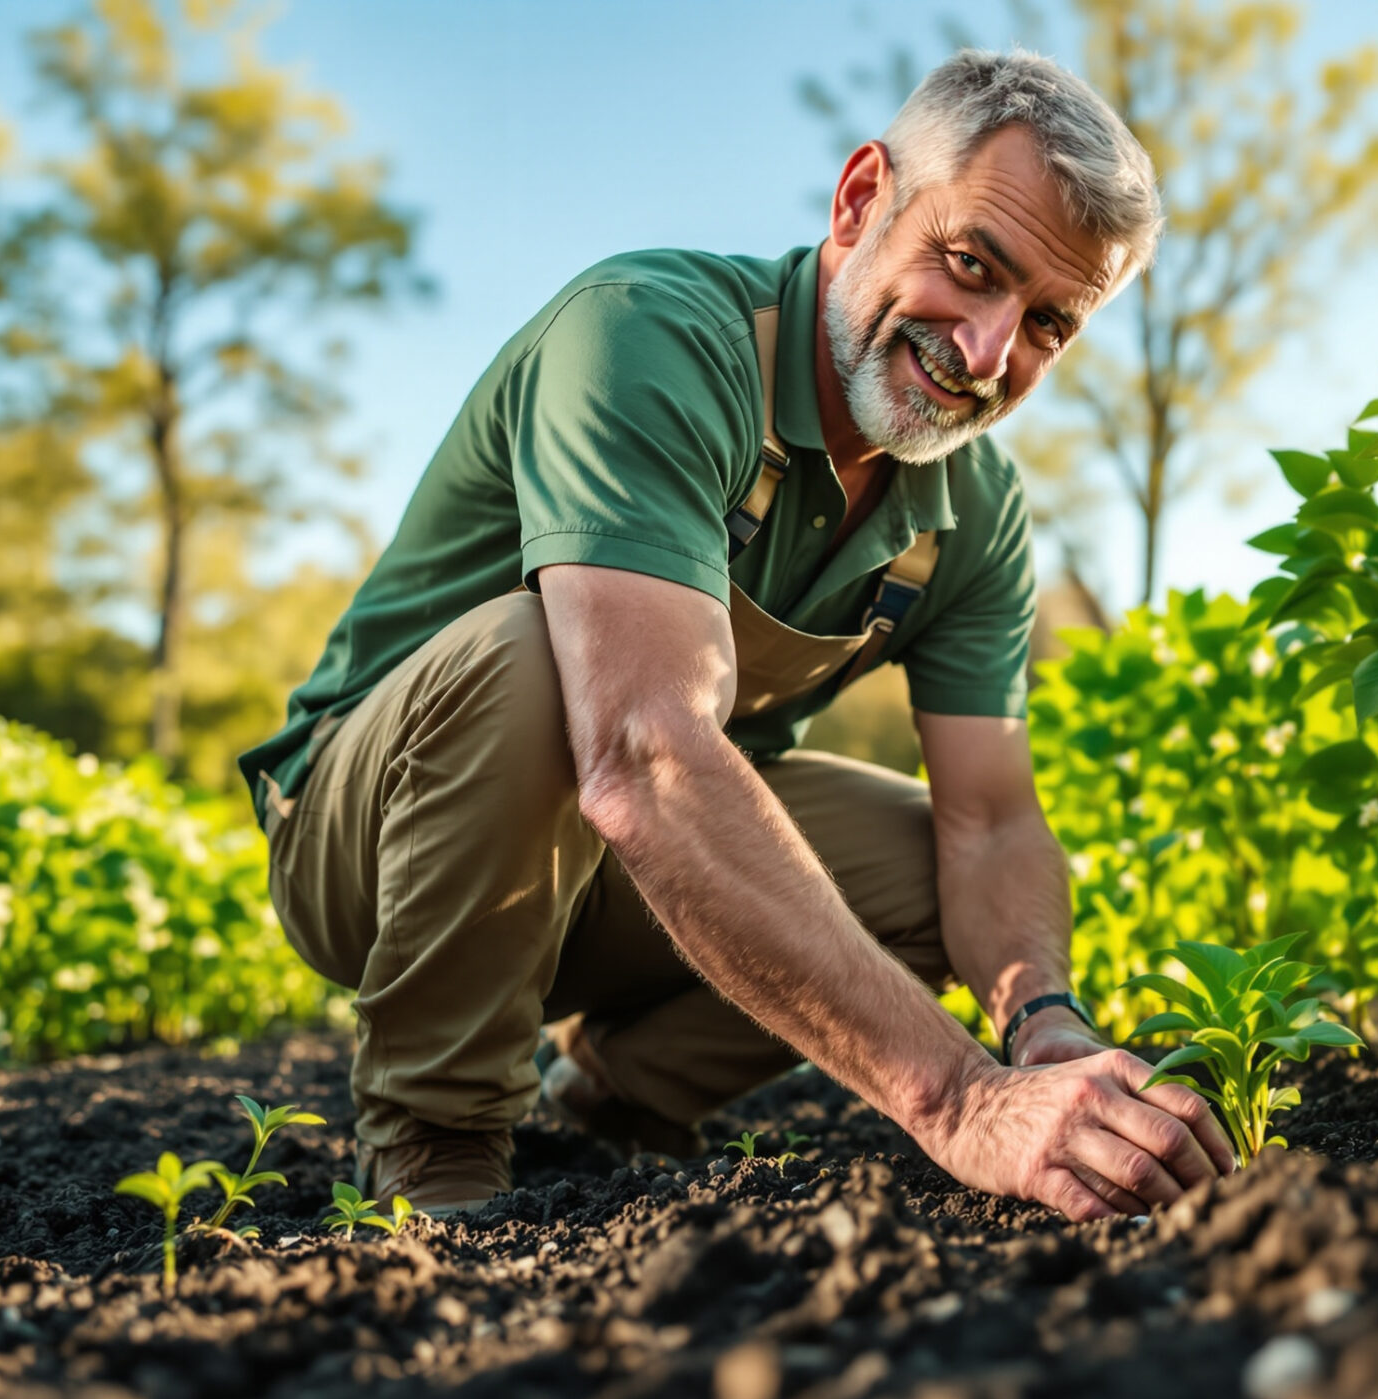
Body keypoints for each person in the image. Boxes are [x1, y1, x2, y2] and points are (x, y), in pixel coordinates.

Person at [239, 50, 1232, 1222]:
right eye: (971, 266)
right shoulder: (654, 339)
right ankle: (437, 1142)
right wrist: (960, 1097)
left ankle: (621, 1090)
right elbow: (647, 749)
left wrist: (1039, 1025)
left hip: (601, 876)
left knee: (931, 865)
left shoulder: (971, 514)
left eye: (1046, 325)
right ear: (863, 199)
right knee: (534, 659)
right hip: (375, 843)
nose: (983, 355)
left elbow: (993, 819)